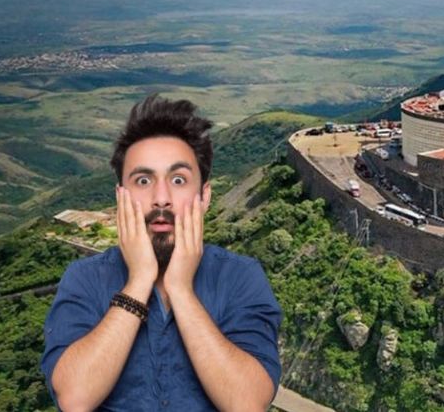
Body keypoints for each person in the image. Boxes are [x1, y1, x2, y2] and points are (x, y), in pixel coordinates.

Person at [41, 94, 282, 411]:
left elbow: (248, 403)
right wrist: (139, 280)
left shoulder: (240, 276)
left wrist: (181, 289)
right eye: (143, 180)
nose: (161, 199)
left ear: (204, 195)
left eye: (179, 179)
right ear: (121, 196)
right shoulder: (84, 277)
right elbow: (74, 398)